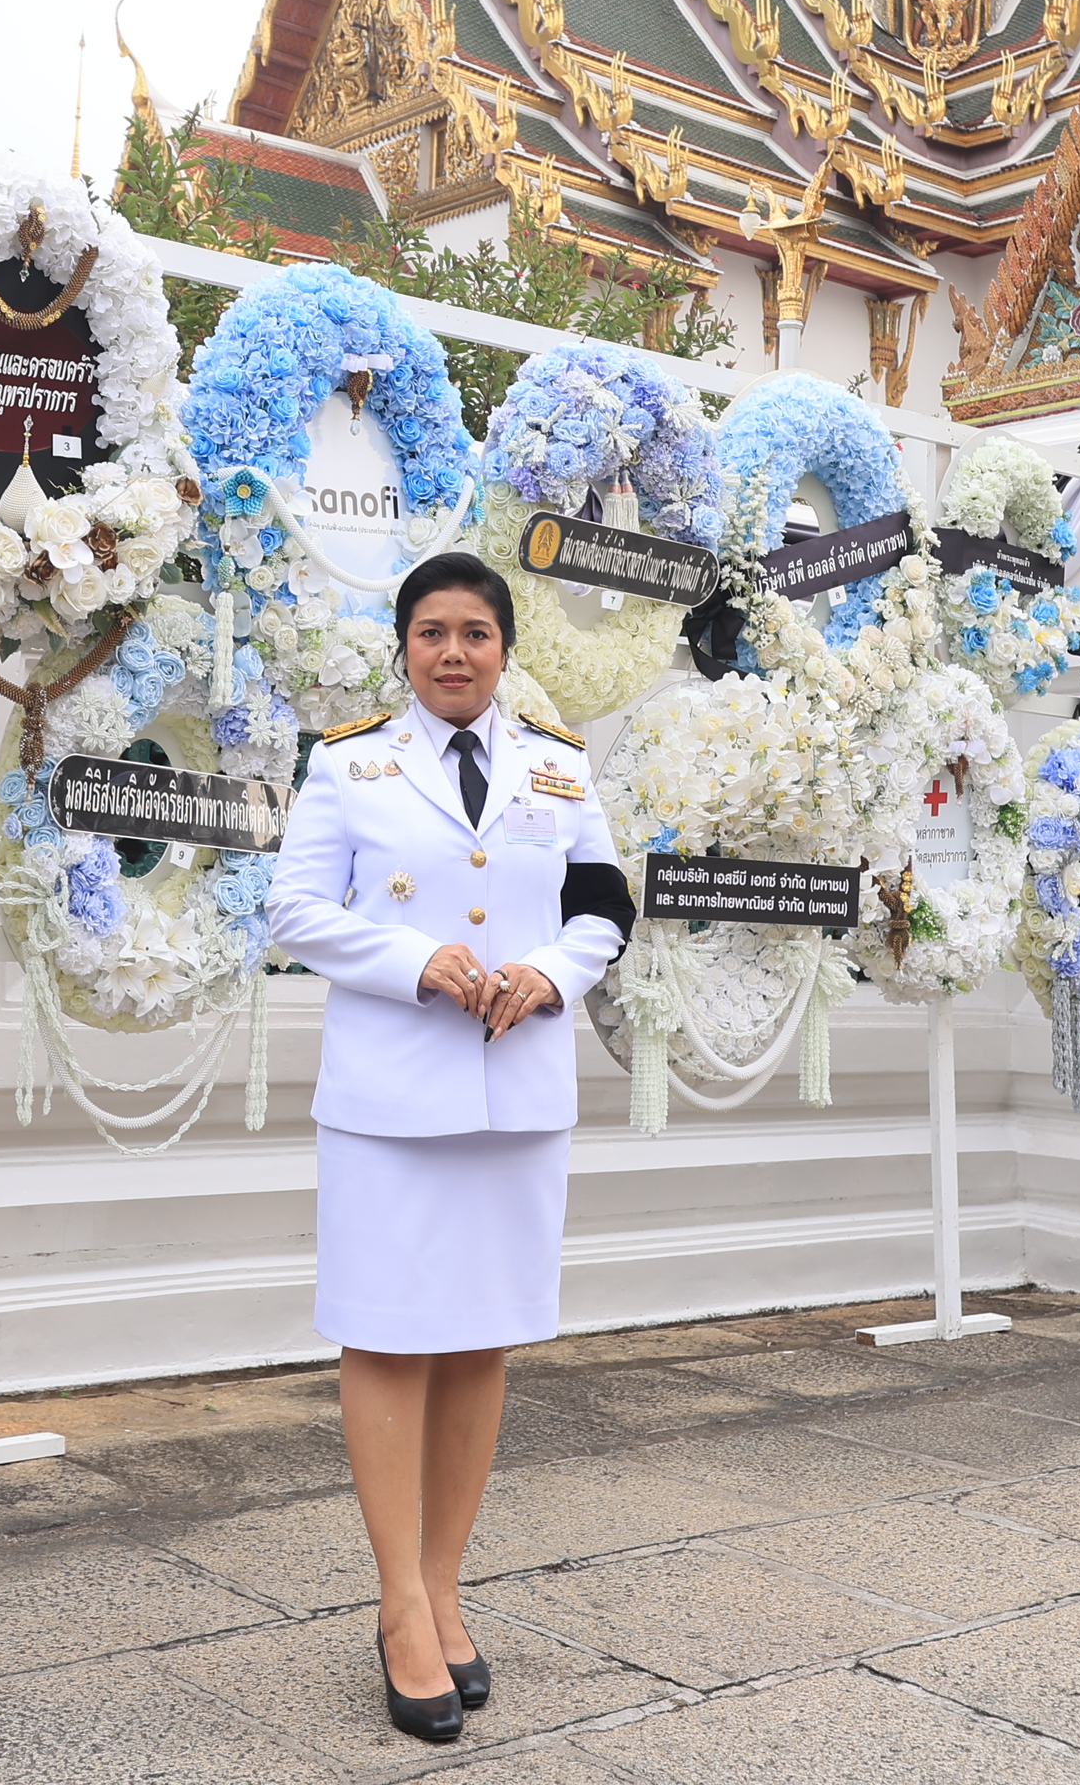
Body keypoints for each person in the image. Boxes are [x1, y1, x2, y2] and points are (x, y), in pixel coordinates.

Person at [264, 552, 633, 1745]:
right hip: (390, 1100)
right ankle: (397, 1606)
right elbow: (294, 909)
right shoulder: (348, 764)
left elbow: (603, 903)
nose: (455, 652)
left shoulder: (556, 764)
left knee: (480, 1337)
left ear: (505, 648)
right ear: (404, 647)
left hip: (515, 1092)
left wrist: (551, 972)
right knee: (386, 1333)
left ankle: (444, 1586)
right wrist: (414, 958)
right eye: (432, 631)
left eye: (476, 631)